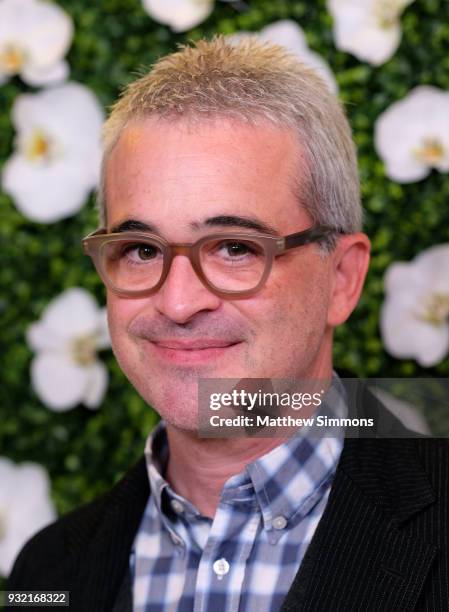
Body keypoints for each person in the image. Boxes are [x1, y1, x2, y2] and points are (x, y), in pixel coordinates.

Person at [7, 37, 449, 611]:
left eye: (235, 247)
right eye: (141, 250)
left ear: (341, 278)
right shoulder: (47, 570)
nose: (179, 301)